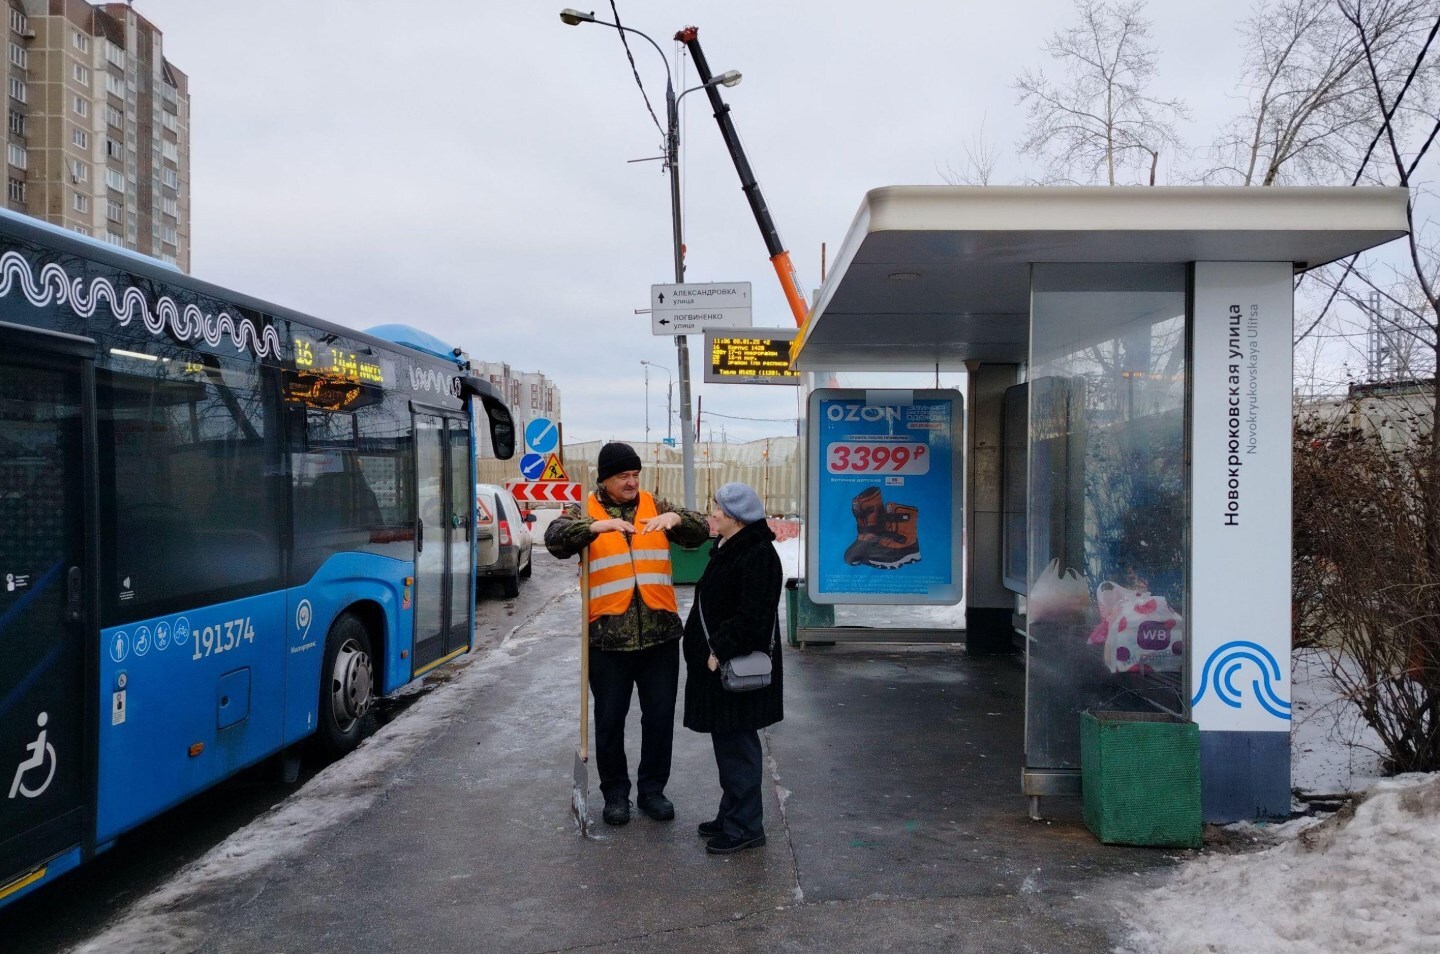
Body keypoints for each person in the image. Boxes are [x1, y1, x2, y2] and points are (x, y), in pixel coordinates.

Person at [545, 441, 709, 826]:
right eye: (623, 476)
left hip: (659, 637)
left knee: (659, 719)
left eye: (635, 475)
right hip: (608, 641)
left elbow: (700, 530)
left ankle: (652, 791)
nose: (632, 482)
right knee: (609, 721)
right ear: (605, 478)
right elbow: (554, 539)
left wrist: (677, 520)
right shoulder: (584, 510)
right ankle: (616, 794)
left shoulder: (655, 505)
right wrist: (593, 527)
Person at [682, 481, 783, 855]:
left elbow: (753, 618)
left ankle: (746, 827)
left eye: (719, 510)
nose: (713, 515)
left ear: (736, 518)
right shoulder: (731, 546)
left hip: (734, 668)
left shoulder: (758, 555)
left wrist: (717, 651)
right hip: (722, 670)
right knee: (728, 744)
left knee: (739, 747)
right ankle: (731, 815)